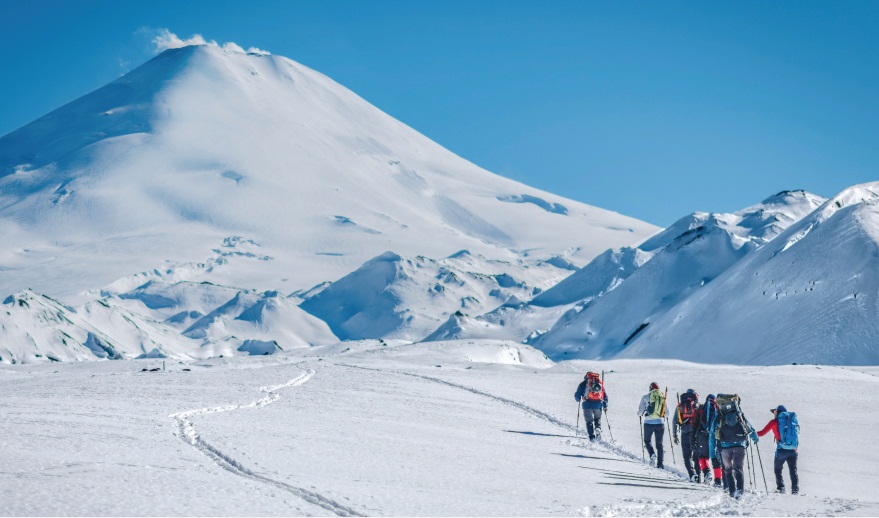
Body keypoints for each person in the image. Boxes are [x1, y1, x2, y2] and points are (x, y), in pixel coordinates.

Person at [709, 394, 758, 499]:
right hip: (739, 446)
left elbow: (712, 435)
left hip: (724, 447)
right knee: (738, 469)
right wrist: (755, 438)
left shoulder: (719, 416)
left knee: (727, 470)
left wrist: (712, 452)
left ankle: (732, 492)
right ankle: (740, 492)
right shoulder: (739, 415)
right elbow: (748, 427)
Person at [757, 405, 799, 495]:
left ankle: (781, 488)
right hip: (793, 450)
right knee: (793, 470)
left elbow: (761, 433)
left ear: (778, 413)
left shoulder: (774, 423)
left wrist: (751, 433)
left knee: (777, 469)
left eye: (775, 412)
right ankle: (795, 490)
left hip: (781, 450)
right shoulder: (791, 422)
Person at [638, 382, 668, 468]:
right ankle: (660, 464)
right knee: (659, 444)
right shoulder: (662, 396)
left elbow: (640, 411)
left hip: (648, 423)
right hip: (660, 423)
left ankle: (652, 454)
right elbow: (667, 413)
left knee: (647, 440)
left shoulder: (645, 397)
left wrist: (640, 414)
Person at [673, 389, 700, 481]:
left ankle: (692, 475)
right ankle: (699, 476)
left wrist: (675, 434)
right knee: (696, 455)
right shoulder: (697, 405)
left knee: (687, 456)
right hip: (696, 433)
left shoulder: (680, 406)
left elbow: (674, 421)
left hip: (685, 432)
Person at [574, 372, 608, 442]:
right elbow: (604, 395)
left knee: (589, 421)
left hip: (587, 405)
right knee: (597, 418)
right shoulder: (600, 384)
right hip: (598, 405)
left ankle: (592, 437)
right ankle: (598, 428)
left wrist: (578, 398)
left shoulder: (583, 384)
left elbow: (577, 396)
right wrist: (605, 406)